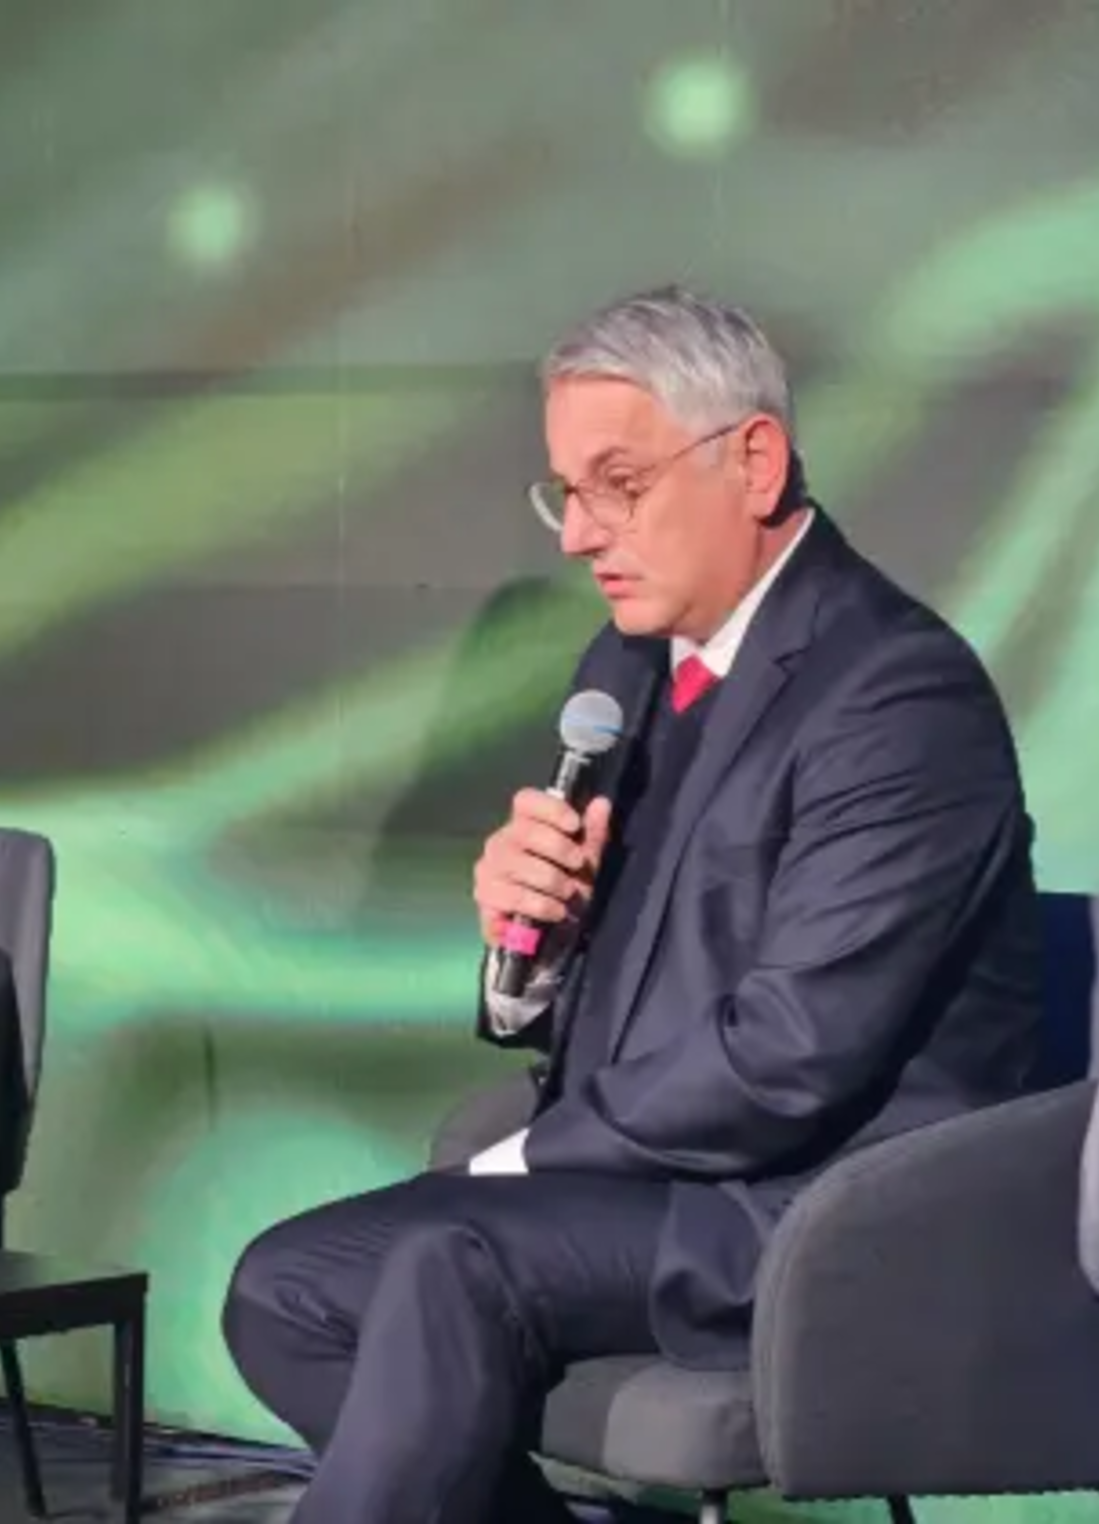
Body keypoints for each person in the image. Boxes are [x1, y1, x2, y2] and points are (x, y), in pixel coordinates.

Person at [221, 287, 1044, 1522]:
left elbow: (792, 1056)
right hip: (656, 1184)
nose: (577, 535)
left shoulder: (897, 696)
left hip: (816, 1210)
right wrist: (538, 949)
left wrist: (529, 1157)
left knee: (449, 1260)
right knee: (282, 1291)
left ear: (753, 462)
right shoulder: (626, 668)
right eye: (565, 493)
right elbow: (620, 990)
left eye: (619, 485)